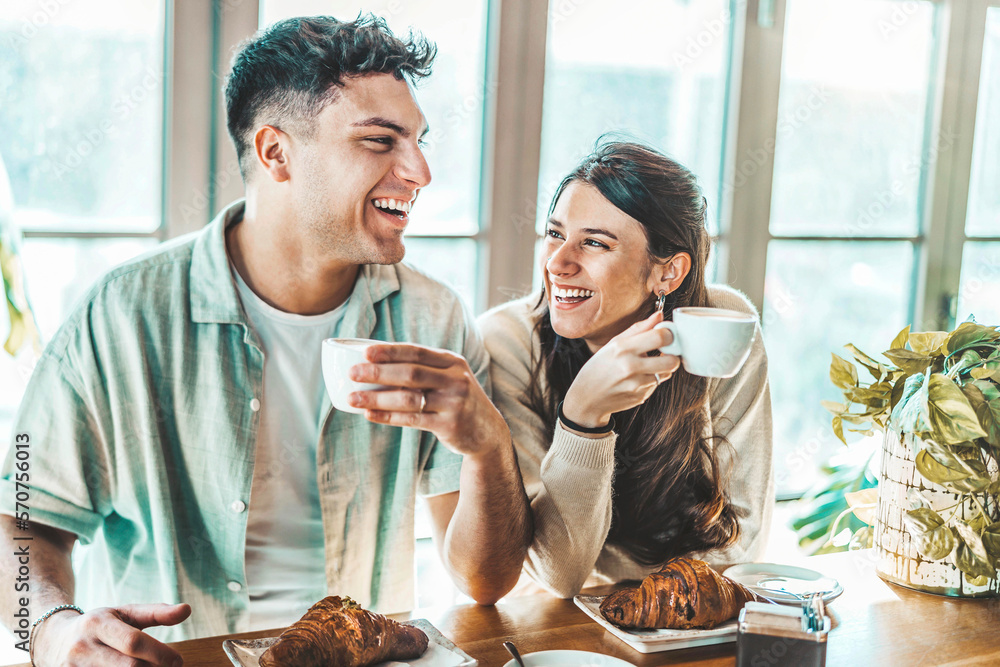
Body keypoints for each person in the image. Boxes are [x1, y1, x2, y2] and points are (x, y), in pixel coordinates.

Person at [0, 15, 530, 667]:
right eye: (380, 140)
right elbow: (18, 516)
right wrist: (50, 625)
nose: (419, 170)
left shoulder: (435, 318)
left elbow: (484, 579)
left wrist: (487, 444)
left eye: (418, 140)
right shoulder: (121, 313)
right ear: (276, 152)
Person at [479, 141, 773, 597]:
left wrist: (660, 617)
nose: (557, 263)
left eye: (594, 243)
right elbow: (559, 575)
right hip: (555, 622)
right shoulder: (508, 342)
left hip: (688, 613)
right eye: (554, 233)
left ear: (668, 273)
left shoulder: (721, 326)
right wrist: (582, 415)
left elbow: (740, 536)